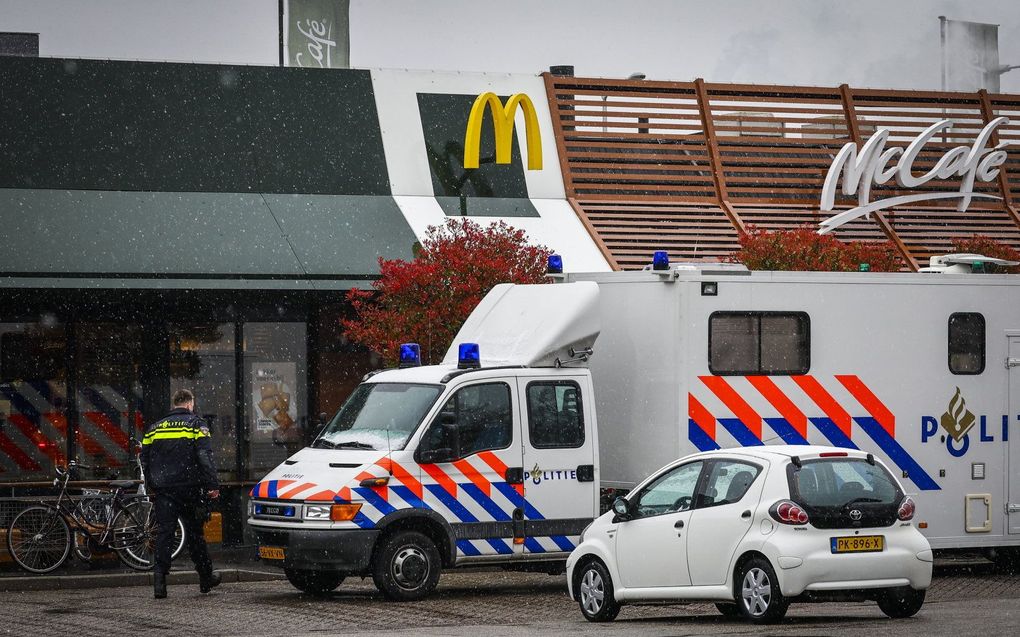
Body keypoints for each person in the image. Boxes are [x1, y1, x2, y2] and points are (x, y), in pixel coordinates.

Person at [140, 389, 221, 599]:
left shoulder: (155, 428)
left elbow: (145, 459)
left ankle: (159, 582)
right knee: (195, 535)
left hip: (164, 490)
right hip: (190, 488)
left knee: (165, 534)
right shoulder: (196, 424)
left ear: (174, 403)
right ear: (189, 404)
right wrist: (212, 484)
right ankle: (205, 578)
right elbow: (204, 455)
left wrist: (151, 485)